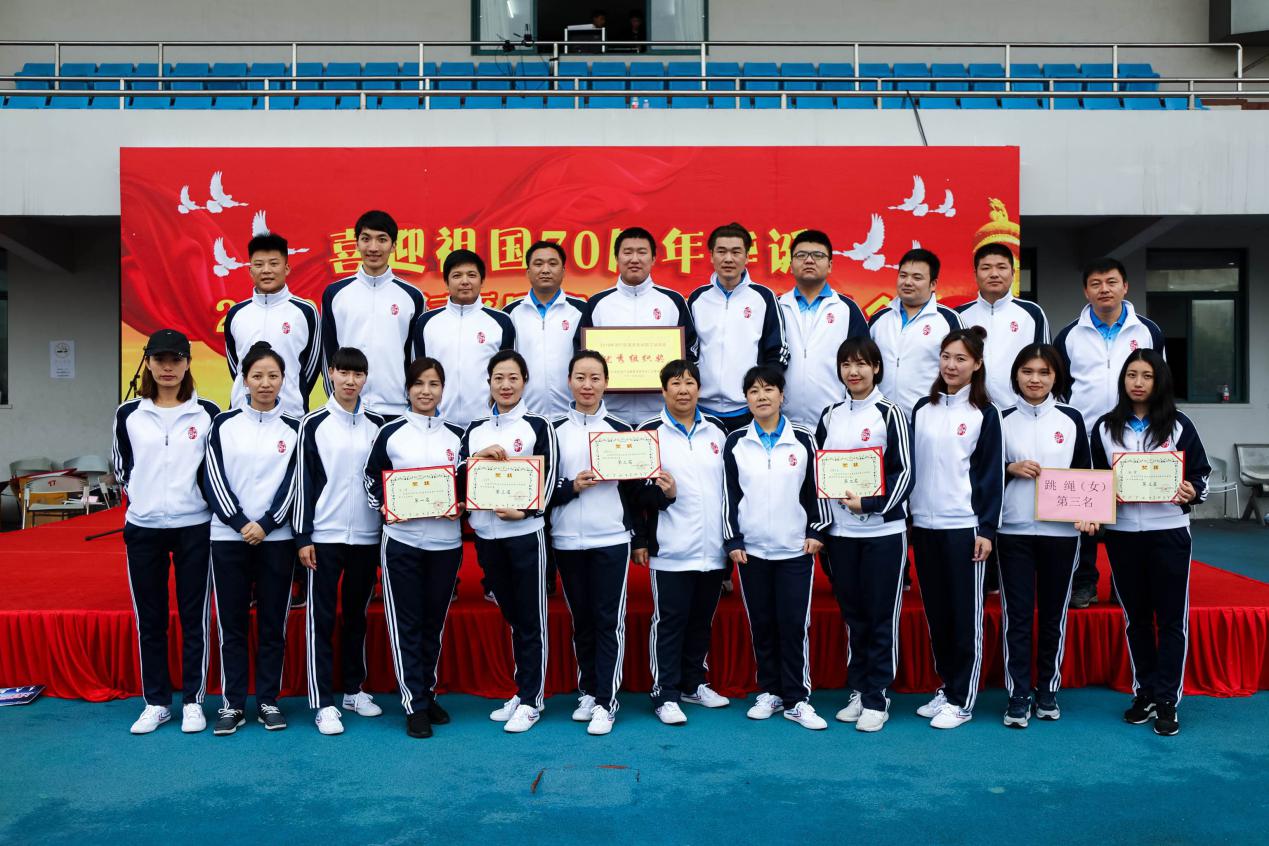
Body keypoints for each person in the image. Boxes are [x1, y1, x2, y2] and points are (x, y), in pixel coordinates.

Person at [1088, 350, 1209, 737]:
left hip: (1169, 531)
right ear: (1122, 380)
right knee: (1136, 618)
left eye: (1147, 376)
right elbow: (1094, 479)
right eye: (1131, 375)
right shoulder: (1105, 427)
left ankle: (1168, 698)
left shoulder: (1179, 425)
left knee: (1171, 619)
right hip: (1123, 535)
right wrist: (1098, 504)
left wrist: (1192, 491)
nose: (1138, 383)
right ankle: (1144, 692)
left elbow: (1200, 474)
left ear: (1160, 381)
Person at [113, 329, 220, 735]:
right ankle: (156, 702)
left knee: (195, 618)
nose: (168, 367)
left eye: (176, 359)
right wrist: (144, 501)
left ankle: (193, 701)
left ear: (188, 363)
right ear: (149, 363)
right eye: (160, 360)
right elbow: (122, 468)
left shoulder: (207, 412)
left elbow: (215, 469)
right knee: (151, 619)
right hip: (144, 529)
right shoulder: (128, 414)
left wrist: (190, 500)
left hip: (194, 527)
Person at [723, 365, 830, 731]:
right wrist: (733, 539)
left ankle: (797, 699)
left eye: (769, 389)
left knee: (793, 624)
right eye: (753, 391)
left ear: (782, 395)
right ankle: (769, 691)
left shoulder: (804, 439)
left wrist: (816, 530)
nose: (762, 396)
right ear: (746, 399)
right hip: (751, 551)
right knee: (763, 624)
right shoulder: (736, 441)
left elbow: (817, 488)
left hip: (794, 549)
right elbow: (729, 494)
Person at [814, 337, 914, 732]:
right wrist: (826, 525)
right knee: (854, 615)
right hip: (841, 534)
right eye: (846, 365)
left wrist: (871, 504)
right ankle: (859, 688)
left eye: (861, 364)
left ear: (876, 368)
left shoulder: (891, 413)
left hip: (883, 532)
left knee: (879, 616)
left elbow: (905, 472)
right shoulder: (830, 415)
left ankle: (877, 696)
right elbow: (820, 473)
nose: (853, 372)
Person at [1054, 257, 1166, 610]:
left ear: (1125, 287)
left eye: (1112, 282)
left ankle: (1123, 584)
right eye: (1096, 283)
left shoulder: (1147, 331)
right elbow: (1060, 390)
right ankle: (1084, 583)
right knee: (1084, 512)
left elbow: (1159, 382)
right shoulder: (1069, 335)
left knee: (1126, 515)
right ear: (1086, 291)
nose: (1104, 289)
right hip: (1085, 437)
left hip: (1132, 436)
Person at [364, 356, 466, 739]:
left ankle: (427, 692)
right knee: (406, 623)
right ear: (407, 389)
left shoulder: (458, 436)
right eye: (419, 383)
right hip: (402, 543)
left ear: (443, 390)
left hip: (446, 544)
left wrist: (462, 504)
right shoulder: (390, 432)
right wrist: (385, 506)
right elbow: (371, 477)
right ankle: (414, 704)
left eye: (434, 384)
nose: (426, 391)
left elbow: (467, 484)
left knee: (433, 624)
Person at [202, 342, 300, 735]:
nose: (265, 383)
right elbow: (212, 476)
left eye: (273, 376)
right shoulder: (222, 424)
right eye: (257, 376)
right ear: (244, 380)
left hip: (277, 540)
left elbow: (296, 481)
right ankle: (232, 704)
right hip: (228, 538)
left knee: (274, 623)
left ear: (283, 380)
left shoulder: (295, 428)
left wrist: (268, 523)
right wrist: (241, 522)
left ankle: (268, 700)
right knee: (233, 625)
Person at [909, 327, 1003, 729]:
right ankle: (947, 687)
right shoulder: (921, 409)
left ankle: (963, 699)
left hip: (964, 527)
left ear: (977, 364)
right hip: (923, 526)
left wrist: (986, 530)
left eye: (961, 358)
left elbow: (992, 476)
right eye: (946, 356)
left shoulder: (985, 413)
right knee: (938, 614)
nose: (951, 365)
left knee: (966, 616)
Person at [461, 350, 558, 733]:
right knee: (513, 617)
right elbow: (459, 476)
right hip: (487, 537)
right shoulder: (475, 429)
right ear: (489, 382)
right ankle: (523, 691)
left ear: (524, 382)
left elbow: (550, 478)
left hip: (526, 537)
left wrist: (527, 512)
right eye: (498, 378)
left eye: (513, 378)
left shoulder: (538, 425)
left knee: (531, 619)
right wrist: (477, 457)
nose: (505, 385)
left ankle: (532, 700)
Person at [293, 347, 387, 736]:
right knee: (322, 618)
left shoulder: (378, 425)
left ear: (365, 378)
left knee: (356, 616)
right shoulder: (312, 423)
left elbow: (383, 481)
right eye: (343, 372)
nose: (350, 381)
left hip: (366, 536)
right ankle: (322, 702)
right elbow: (303, 481)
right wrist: (303, 536)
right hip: (324, 536)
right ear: (330, 373)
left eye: (358, 374)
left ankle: (353, 689)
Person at [549, 350, 642, 735]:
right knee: (582, 620)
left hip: (611, 538)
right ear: (569, 381)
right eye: (580, 377)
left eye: (595, 378)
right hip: (566, 539)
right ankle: (588, 690)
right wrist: (571, 487)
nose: (587, 385)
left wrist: (661, 494)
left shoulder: (623, 430)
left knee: (608, 621)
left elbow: (635, 491)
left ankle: (606, 700)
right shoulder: (552, 430)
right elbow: (541, 489)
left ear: (606, 383)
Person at [634, 360, 731, 725]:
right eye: (675, 383)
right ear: (663, 391)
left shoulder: (718, 431)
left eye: (690, 382)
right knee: (670, 622)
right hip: (671, 548)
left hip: (713, 547)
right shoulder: (649, 432)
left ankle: (693, 684)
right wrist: (665, 498)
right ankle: (665, 693)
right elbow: (635, 494)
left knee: (701, 622)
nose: (683, 390)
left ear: (699, 389)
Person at [997, 344, 1088, 728]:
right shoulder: (999, 418)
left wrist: (1089, 515)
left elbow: (1085, 473)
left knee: (1053, 615)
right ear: (1016, 375)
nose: (1035, 379)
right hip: (1012, 530)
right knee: (1017, 616)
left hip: (1061, 533)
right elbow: (982, 473)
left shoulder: (1071, 418)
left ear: (1056, 377)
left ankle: (1048, 688)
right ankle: (1018, 692)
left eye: (1044, 372)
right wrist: (1009, 468)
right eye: (1027, 371)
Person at [577, 226, 698, 424]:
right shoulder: (598, 303)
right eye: (627, 252)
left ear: (653, 258)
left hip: (662, 414)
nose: (634, 259)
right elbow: (581, 353)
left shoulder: (673, 301)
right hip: (608, 415)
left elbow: (690, 351)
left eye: (642, 252)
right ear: (616, 258)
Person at [321, 210, 426, 418]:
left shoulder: (412, 296)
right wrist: (337, 397)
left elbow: (416, 356)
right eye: (366, 239)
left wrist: (411, 399)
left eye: (382, 240)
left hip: (396, 408)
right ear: (356, 243)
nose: (373, 248)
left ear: (394, 246)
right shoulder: (335, 293)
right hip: (347, 408)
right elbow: (327, 353)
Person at [689, 222, 788, 434]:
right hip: (702, 409)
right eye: (721, 251)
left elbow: (777, 350)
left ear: (747, 257)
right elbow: (688, 351)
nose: (728, 259)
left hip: (748, 409)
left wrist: (761, 393)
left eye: (736, 252)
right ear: (711, 256)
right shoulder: (697, 298)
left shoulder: (763, 297)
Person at [411, 249, 516, 430]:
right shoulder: (427, 322)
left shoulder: (501, 322)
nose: (465, 281)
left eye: (472, 275)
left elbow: (509, 374)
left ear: (482, 280)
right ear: (446, 282)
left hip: (487, 424)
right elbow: (418, 374)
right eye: (457, 275)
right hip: (438, 423)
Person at [223, 232, 321, 418]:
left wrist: (291, 390)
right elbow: (236, 365)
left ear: (287, 268)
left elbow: (310, 367)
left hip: (291, 415)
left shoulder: (305, 312)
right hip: (242, 415)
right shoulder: (236, 313)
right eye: (259, 265)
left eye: (274, 264)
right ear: (250, 270)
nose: (266, 270)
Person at [777, 229, 868, 429]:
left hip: (835, 421)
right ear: (790, 265)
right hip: (782, 422)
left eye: (818, 255)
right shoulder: (777, 307)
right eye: (801, 255)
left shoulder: (846, 309)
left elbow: (863, 365)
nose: (809, 260)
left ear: (830, 265)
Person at [869, 248, 963, 418]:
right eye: (903, 275)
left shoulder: (949, 320)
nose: (907, 282)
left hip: (930, 418)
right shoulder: (879, 318)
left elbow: (964, 372)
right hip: (881, 419)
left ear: (933, 284)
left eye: (917, 278)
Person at [955, 243, 1049, 408]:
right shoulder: (959, 315)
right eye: (986, 268)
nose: (994, 274)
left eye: (1001, 267)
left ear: (1013, 273)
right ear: (975, 274)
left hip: (1018, 409)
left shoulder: (1032, 313)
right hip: (970, 409)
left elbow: (1047, 363)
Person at [505, 241, 586, 418]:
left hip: (572, 414)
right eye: (538, 264)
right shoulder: (510, 313)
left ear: (563, 271)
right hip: (525, 416)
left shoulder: (581, 310)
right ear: (528, 272)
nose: (545, 270)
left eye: (553, 263)